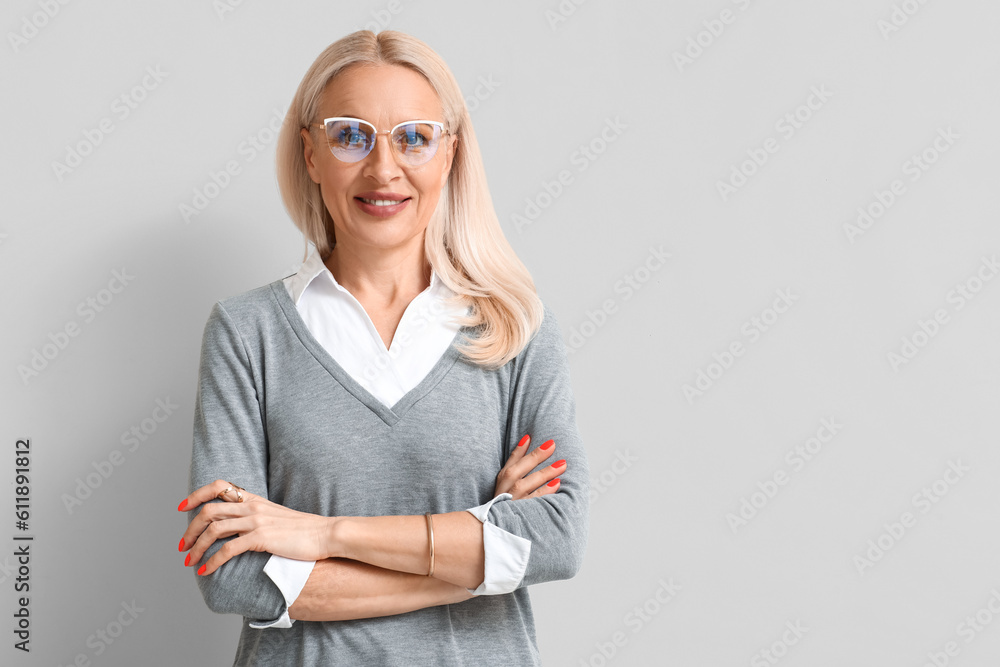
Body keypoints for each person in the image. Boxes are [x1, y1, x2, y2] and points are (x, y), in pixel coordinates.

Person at [175, 29, 589, 665]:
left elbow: (555, 541)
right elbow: (231, 574)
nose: (383, 169)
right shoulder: (246, 331)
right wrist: (478, 545)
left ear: (449, 154)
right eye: (350, 135)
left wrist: (321, 534)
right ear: (311, 154)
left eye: (414, 137)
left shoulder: (515, 328)